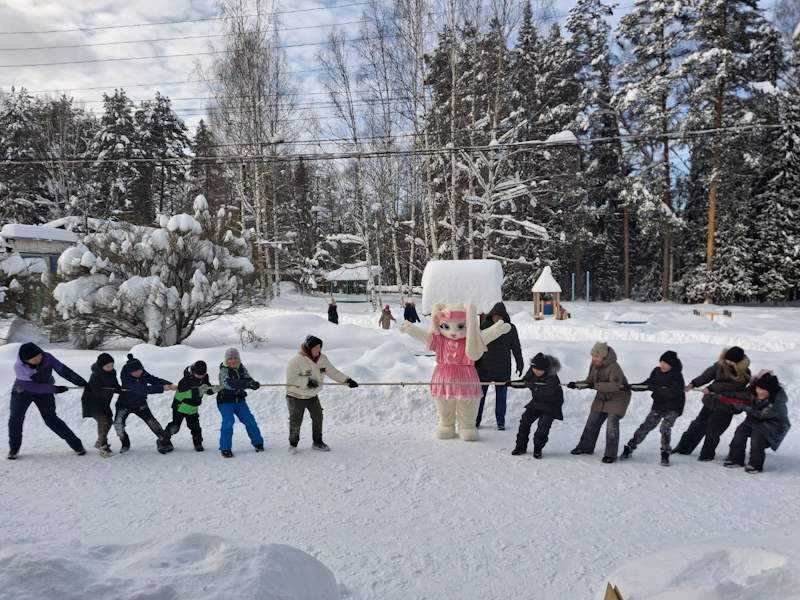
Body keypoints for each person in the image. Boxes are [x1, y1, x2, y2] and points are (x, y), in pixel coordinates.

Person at [399, 303, 510, 441]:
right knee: (445, 404)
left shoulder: (471, 340)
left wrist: (497, 330)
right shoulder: (440, 340)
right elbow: (426, 337)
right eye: (446, 326)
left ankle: (467, 426)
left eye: (460, 326)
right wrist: (411, 329)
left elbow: (484, 337)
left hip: (466, 376)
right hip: (444, 377)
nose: (453, 332)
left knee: (467, 403)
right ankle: (446, 425)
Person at [8, 342, 88, 460]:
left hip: (45, 391)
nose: (37, 360)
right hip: (22, 392)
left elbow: (64, 371)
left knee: (51, 419)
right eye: (33, 359)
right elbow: (31, 386)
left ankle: (77, 445)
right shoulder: (19, 366)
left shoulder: (47, 357)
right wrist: (54, 389)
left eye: (38, 356)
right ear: (25, 361)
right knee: (15, 419)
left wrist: (82, 383)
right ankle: (14, 448)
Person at [673, 346, 750, 460]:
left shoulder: (744, 373)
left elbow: (733, 385)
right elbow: (706, 375)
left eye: (730, 361)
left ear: (737, 362)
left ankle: (707, 455)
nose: (727, 362)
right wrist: (693, 384)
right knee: (697, 425)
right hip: (711, 402)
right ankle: (683, 449)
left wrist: (712, 388)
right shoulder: (720, 365)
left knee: (713, 430)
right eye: (726, 359)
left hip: (726, 406)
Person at [285, 335, 358, 452]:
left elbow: (333, 371)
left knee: (318, 417)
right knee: (296, 420)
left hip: (312, 395)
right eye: (316, 347)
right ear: (309, 348)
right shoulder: (296, 361)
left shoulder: (322, 359)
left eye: (320, 347)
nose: (318, 350)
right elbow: (291, 380)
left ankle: (317, 442)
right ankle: (293, 444)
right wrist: (307, 382)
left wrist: (347, 380)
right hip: (295, 396)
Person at [569, 342, 631, 463]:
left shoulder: (614, 367)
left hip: (619, 397)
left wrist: (595, 385)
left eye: (596, 356)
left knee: (611, 423)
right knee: (593, 420)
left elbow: (616, 385)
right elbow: (590, 381)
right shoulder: (594, 365)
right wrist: (577, 384)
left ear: (603, 356)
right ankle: (585, 447)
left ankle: (610, 454)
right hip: (602, 396)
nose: (594, 359)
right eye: (593, 356)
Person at [620, 351, 685, 466]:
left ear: (672, 365)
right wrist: (631, 387)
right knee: (646, 426)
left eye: (666, 363)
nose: (663, 365)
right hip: (659, 405)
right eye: (662, 362)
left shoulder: (677, 375)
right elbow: (647, 384)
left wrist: (656, 388)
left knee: (665, 427)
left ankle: (665, 453)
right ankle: (630, 446)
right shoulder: (656, 371)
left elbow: (673, 393)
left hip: (673, 407)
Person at [724, 372, 791, 473]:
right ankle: (735, 458)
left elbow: (762, 414)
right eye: (758, 388)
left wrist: (743, 407)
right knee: (740, 431)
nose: (759, 391)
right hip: (756, 421)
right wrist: (723, 394)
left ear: (770, 391)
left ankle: (755, 464)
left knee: (757, 435)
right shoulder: (754, 392)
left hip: (774, 425)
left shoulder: (778, 402)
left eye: (763, 389)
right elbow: (740, 395)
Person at [475, 302, 523, 430]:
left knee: (501, 398)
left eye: (500, 316)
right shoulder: (484, 326)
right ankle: (476, 421)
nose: (497, 318)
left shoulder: (510, 328)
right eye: (495, 315)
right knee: (479, 397)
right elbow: (477, 346)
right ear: (491, 315)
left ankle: (500, 422)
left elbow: (516, 348)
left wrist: (520, 363)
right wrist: (474, 363)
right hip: (484, 368)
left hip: (503, 369)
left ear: (504, 316)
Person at [115, 354, 176, 454]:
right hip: (124, 404)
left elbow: (153, 379)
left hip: (140, 403)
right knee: (118, 424)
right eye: (137, 372)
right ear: (130, 372)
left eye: (141, 370)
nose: (140, 373)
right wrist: (162, 388)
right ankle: (125, 443)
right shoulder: (125, 376)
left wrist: (169, 384)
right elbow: (141, 389)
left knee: (152, 422)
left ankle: (164, 441)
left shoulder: (141, 371)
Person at [508, 352, 563, 458]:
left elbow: (548, 391)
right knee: (525, 420)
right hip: (537, 401)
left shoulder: (552, 375)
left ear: (545, 369)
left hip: (551, 404)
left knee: (543, 425)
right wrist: (512, 383)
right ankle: (520, 447)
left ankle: (538, 449)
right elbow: (525, 382)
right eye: (534, 369)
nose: (536, 371)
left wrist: (532, 385)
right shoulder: (533, 370)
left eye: (539, 370)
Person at [217, 348, 264, 458]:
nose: (232, 361)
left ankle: (258, 443)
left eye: (235, 358)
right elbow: (228, 384)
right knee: (228, 422)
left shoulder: (241, 367)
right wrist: (246, 384)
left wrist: (253, 383)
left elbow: (247, 378)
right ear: (226, 360)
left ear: (238, 359)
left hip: (239, 400)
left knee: (250, 420)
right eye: (230, 358)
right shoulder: (224, 370)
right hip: (225, 401)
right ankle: (225, 449)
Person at [165, 360, 217, 452]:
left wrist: (217, 388)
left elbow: (207, 389)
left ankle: (198, 443)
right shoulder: (185, 380)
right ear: (193, 372)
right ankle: (163, 441)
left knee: (195, 426)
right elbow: (181, 395)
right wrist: (197, 391)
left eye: (203, 374)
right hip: (180, 406)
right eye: (198, 375)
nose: (201, 377)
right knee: (175, 426)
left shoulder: (204, 377)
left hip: (193, 407)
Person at [80, 353, 122, 457]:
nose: (110, 368)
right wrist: (110, 390)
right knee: (103, 421)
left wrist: (119, 389)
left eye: (112, 365)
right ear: (101, 366)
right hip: (92, 402)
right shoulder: (95, 375)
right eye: (108, 366)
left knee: (109, 421)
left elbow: (115, 386)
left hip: (104, 403)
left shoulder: (112, 373)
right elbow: (97, 392)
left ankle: (101, 442)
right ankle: (102, 445)